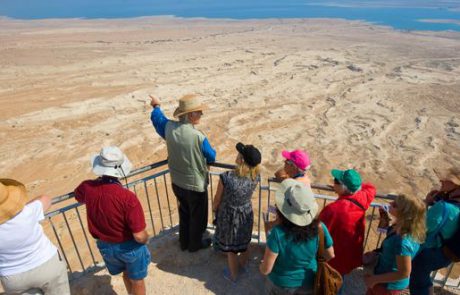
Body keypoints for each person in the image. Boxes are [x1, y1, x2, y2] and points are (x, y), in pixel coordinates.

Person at [74, 146, 150, 295]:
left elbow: (78, 196)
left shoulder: (87, 188)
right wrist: (147, 238)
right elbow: (139, 236)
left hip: (106, 246)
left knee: (126, 273)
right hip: (129, 247)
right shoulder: (128, 198)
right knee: (138, 280)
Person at [150, 94, 216, 252]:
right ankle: (194, 244)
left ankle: (184, 242)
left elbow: (158, 120)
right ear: (190, 115)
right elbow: (211, 156)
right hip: (195, 185)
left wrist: (156, 107)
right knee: (197, 216)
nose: (201, 114)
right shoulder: (199, 137)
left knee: (184, 212)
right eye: (199, 112)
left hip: (177, 182)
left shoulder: (169, 128)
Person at [259, 179, 335, 294]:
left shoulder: (277, 233)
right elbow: (330, 255)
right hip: (309, 281)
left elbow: (266, 270)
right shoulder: (320, 227)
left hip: (281, 285)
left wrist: (261, 265)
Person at [0, 179, 70, 295]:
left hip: (13, 278)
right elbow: (46, 199)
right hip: (47, 265)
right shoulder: (27, 212)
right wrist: (18, 209)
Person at [212, 142, 261, 282]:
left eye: (240, 153)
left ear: (242, 160)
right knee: (244, 243)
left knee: (231, 250)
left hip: (229, 215)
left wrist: (215, 209)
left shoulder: (226, 177)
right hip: (246, 214)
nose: (237, 154)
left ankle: (233, 276)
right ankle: (243, 265)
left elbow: (217, 198)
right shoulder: (255, 177)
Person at [409, 167, 460, 295]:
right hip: (448, 253)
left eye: (447, 181)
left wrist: (426, 203)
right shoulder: (456, 205)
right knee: (424, 280)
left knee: (418, 285)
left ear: (456, 186)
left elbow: (422, 226)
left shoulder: (443, 207)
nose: (441, 181)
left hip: (431, 253)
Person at [364, 194, 426, 295]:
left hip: (387, 286)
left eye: (395, 205)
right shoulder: (399, 227)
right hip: (383, 279)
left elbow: (404, 273)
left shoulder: (403, 242)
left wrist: (374, 279)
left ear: (404, 213)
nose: (390, 203)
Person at [319, 168, 376, 276]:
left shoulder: (333, 210)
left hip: (334, 259)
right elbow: (370, 188)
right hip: (351, 255)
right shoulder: (363, 197)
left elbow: (319, 232)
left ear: (343, 187)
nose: (333, 182)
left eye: (335, 181)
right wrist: (353, 184)